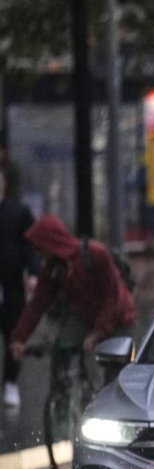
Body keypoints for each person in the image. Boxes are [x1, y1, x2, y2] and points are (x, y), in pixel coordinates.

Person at [8, 215, 136, 402]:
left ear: (51, 243)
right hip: (85, 315)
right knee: (62, 348)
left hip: (119, 317)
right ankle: (63, 398)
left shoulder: (96, 254)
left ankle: (108, 401)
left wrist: (98, 333)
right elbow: (37, 304)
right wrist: (20, 337)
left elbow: (112, 297)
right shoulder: (54, 269)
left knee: (112, 364)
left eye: (40, 248)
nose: (38, 254)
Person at [0, 169, 37, 410]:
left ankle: (11, 382)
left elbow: (29, 245)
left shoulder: (17, 212)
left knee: (14, 335)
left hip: (11, 285)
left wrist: (33, 272)